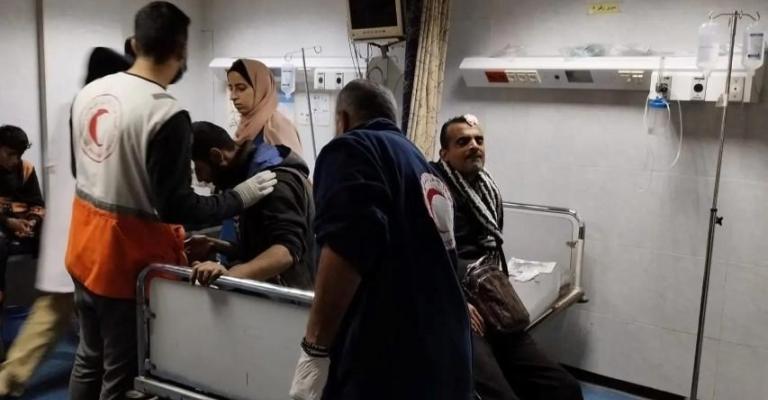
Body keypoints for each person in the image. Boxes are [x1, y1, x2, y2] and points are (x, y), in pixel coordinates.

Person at [67, 3, 277, 399]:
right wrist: (238, 197)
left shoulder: (91, 93)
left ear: (134, 44)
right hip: (122, 265)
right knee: (120, 374)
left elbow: (81, 169)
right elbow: (178, 207)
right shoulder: (165, 113)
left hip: (81, 250)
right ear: (181, 52)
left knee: (88, 357)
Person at [290, 80, 472, 400]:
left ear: (343, 120)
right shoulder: (423, 167)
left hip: (390, 362)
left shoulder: (351, 149)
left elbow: (348, 245)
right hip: (448, 355)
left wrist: (314, 350)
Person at [0, 46, 132, 399]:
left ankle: (9, 378)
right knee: (73, 317)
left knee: (56, 314)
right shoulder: (104, 118)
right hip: (87, 234)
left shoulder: (71, 110)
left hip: (68, 231)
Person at [433, 114, 583, 400]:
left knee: (564, 388)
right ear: (444, 154)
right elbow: (425, 257)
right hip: (455, 306)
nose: (474, 146)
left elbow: (490, 249)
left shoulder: (486, 189)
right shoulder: (435, 192)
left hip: (490, 299)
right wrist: (457, 301)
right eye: (463, 142)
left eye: (479, 140)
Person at [186, 121, 314, 290]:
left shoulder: (274, 181)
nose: (201, 179)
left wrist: (230, 275)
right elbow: (260, 247)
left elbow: (286, 252)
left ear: (217, 156)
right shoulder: (250, 178)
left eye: (199, 169)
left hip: (287, 298)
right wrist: (214, 245)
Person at [0, 125, 44, 307]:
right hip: (3, 223)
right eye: (9, 154)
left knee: (56, 232)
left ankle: (53, 296)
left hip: (22, 221)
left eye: (18, 155)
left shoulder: (26, 168)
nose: (14, 160)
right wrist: (8, 222)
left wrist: (32, 222)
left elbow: (37, 204)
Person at [228, 59, 303, 156]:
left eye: (241, 88)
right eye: (231, 89)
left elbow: (294, 164)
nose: (232, 96)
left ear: (261, 89)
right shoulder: (244, 126)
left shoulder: (278, 127)